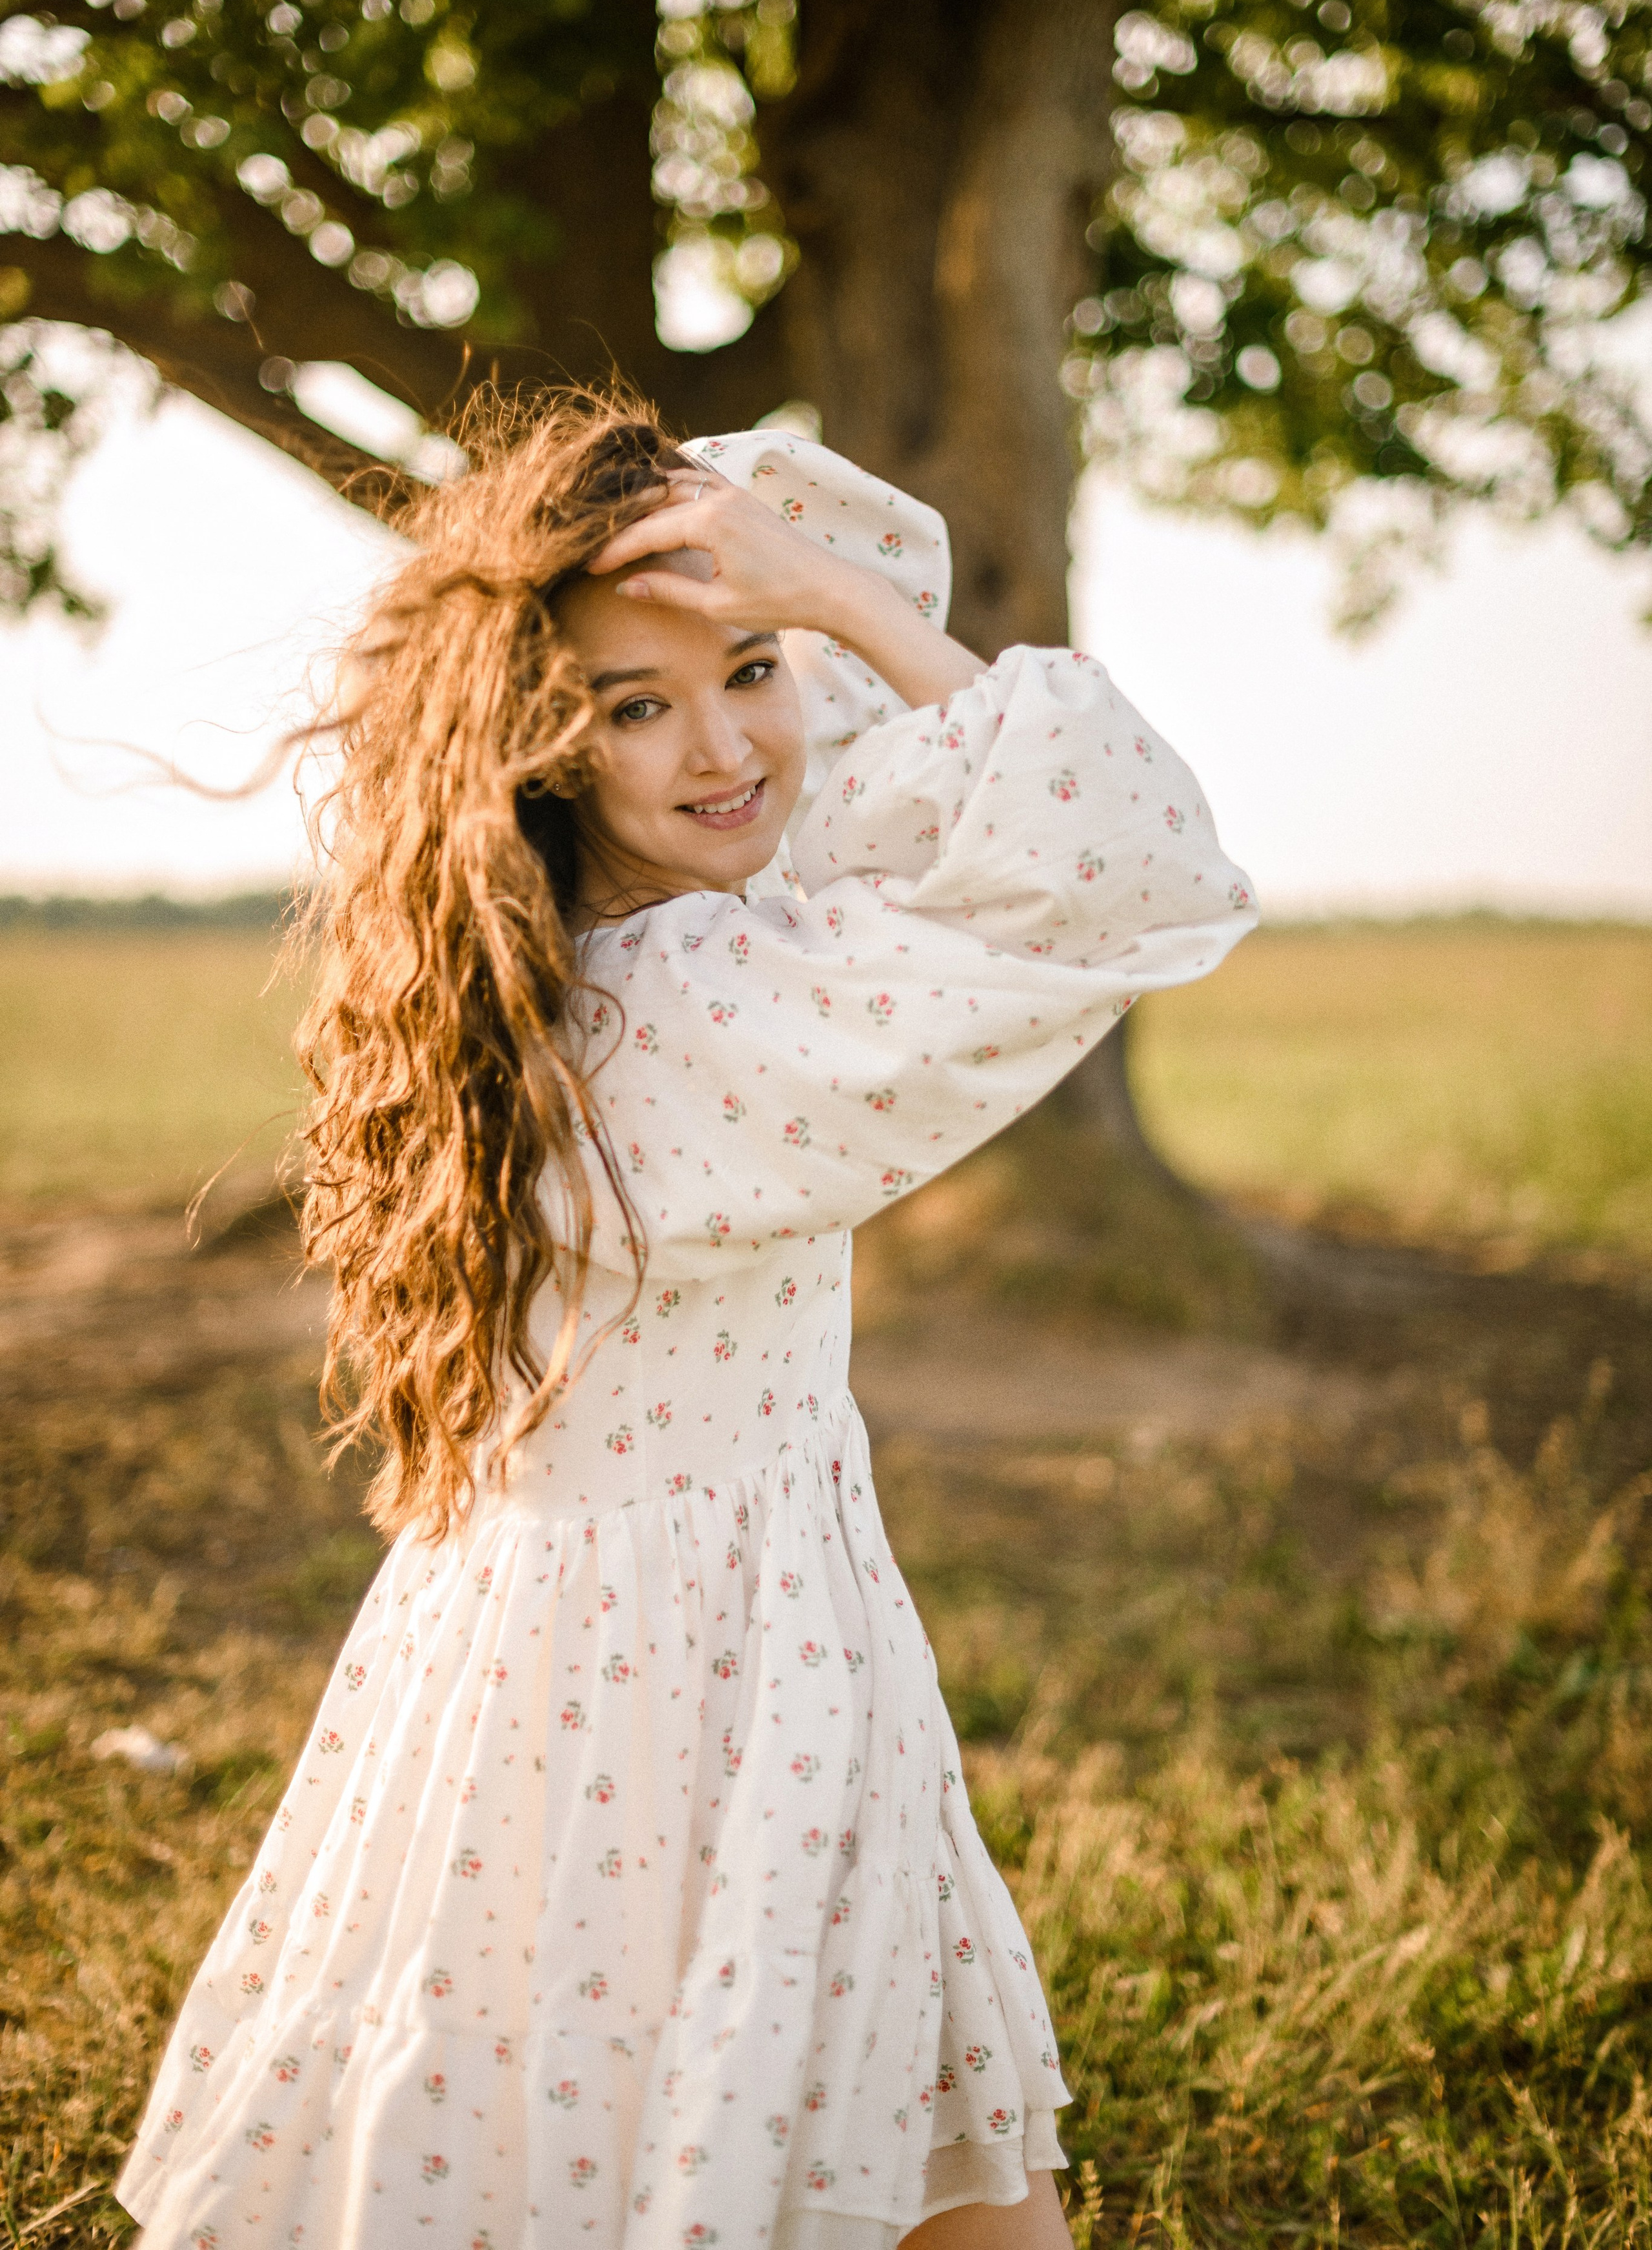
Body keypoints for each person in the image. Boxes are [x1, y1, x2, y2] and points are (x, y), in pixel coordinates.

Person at [118, 390, 1256, 2247]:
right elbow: (1114, 857)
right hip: (684, 1688)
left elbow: (886, 801)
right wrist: (844, 600)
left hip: (600, 1643)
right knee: (718, 2143)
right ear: (544, 755)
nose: (727, 745)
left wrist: (791, 583)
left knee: (790, 2139)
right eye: (635, 709)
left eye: (752, 669)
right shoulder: (701, 1013)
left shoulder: (580, 973)